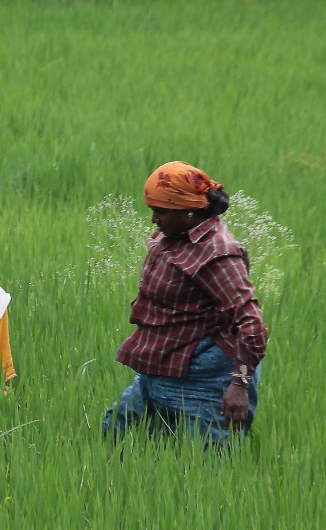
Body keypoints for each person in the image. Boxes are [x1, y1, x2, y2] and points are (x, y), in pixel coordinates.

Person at [102, 161, 269, 445]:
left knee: (208, 465)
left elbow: (252, 324)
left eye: (161, 212)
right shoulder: (172, 234)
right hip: (160, 365)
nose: (154, 219)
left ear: (190, 212)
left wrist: (239, 385)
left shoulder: (218, 255)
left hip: (205, 379)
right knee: (115, 432)